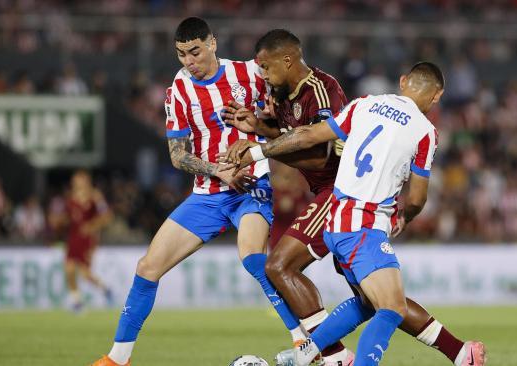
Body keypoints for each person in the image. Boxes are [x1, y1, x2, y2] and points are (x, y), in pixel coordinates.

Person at [224, 62, 486, 366]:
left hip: (334, 220)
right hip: (364, 223)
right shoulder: (425, 132)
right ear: (438, 96)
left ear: (402, 82)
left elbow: (310, 136)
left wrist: (257, 151)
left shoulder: (365, 104)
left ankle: (303, 354)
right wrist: (405, 216)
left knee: (367, 303)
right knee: (391, 308)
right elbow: (416, 197)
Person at [90, 17, 304, 366]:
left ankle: (302, 342)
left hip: (251, 185)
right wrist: (215, 170)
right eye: (181, 55)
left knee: (252, 257)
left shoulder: (250, 73)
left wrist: (266, 132)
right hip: (207, 193)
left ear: (213, 44)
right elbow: (177, 156)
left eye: (194, 52)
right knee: (147, 267)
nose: (189, 61)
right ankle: (118, 359)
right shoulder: (179, 89)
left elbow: (281, 121)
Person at [221, 29, 355, 365]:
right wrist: (260, 128)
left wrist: (260, 150)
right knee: (368, 294)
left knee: (279, 266)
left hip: (344, 190)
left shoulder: (321, 92)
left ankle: (331, 355)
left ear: (287, 59)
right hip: (326, 192)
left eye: (266, 67)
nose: (263, 75)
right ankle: (332, 354)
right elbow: (289, 136)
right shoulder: (279, 94)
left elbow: (319, 156)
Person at [58, 170, 113, 312]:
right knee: (69, 269)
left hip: (88, 239)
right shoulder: (71, 198)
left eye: (80, 180)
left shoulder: (95, 196)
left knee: (85, 273)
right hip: (73, 237)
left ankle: (105, 289)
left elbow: (107, 216)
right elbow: (68, 218)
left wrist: (92, 225)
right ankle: (76, 301)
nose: (77, 183)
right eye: (75, 181)